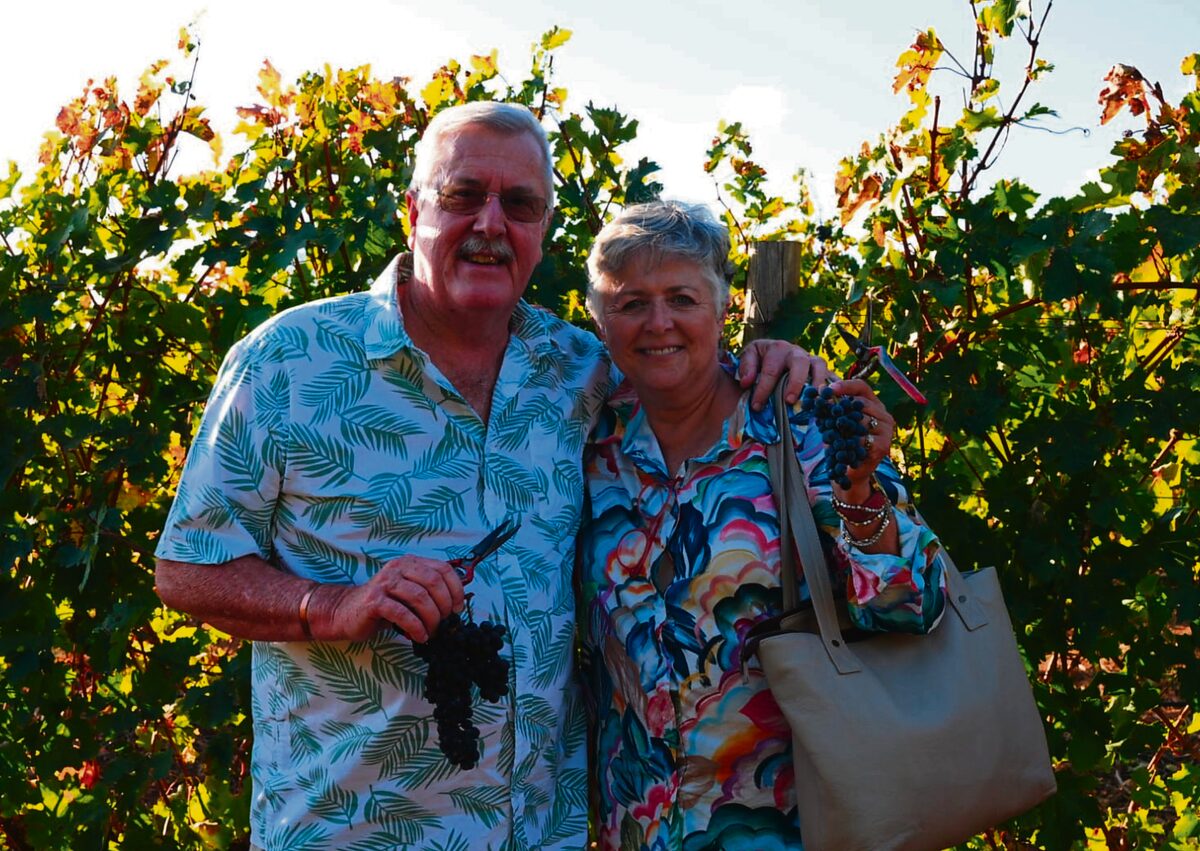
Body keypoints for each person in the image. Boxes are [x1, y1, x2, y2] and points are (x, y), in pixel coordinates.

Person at [153, 102, 816, 850]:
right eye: (463, 195)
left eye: (520, 204)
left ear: (541, 233)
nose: (491, 224)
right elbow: (185, 568)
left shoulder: (581, 373)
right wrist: (332, 604)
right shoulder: (290, 362)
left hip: (538, 835)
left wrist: (779, 367)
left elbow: (689, 380)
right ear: (413, 210)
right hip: (349, 834)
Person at [577, 199, 947, 850]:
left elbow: (916, 606)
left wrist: (859, 491)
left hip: (793, 827)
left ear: (722, 308)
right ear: (599, 319)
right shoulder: (586, 446)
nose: (657, 322)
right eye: (631, 302)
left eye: (681, 298)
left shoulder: (797, 425)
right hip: (635, 828)